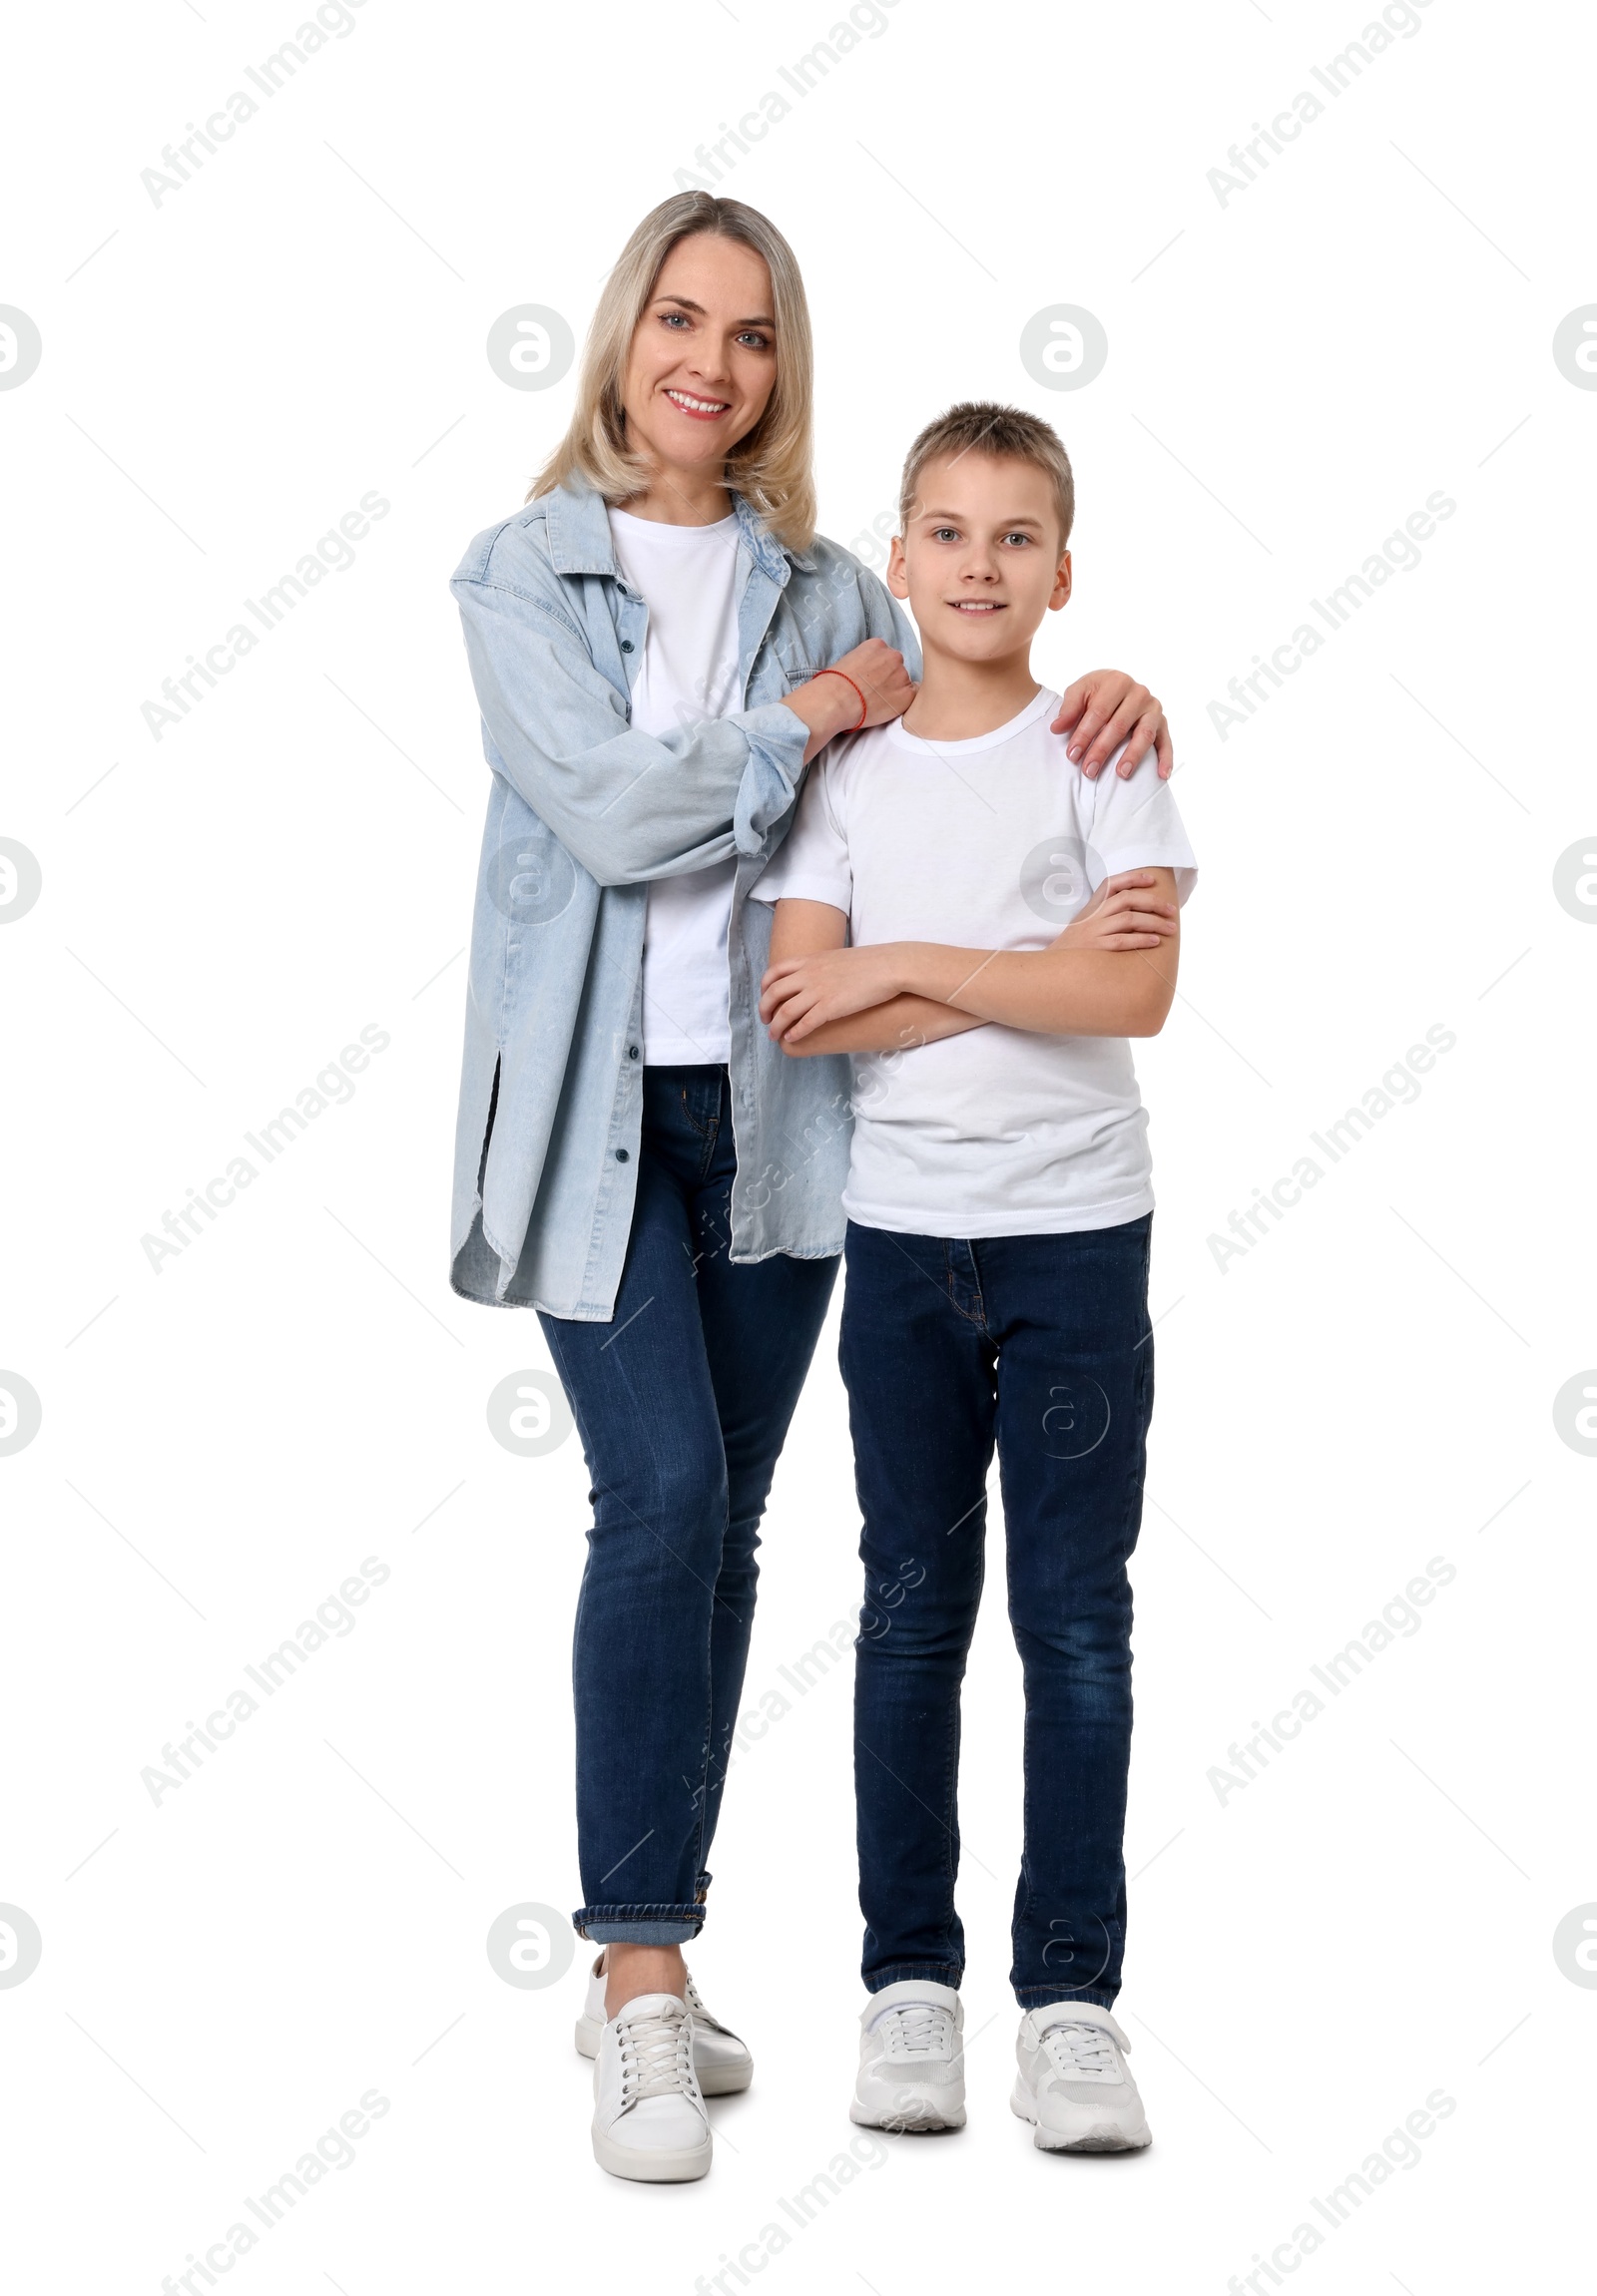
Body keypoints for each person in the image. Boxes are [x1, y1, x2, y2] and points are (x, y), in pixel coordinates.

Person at [447, 192, 1174, 2182]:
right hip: (593, 1123)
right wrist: (794, 723)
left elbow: (968, 678)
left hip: (783, 1124)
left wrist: (1123, 703)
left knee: (734, 1525)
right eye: (677, 320)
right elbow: (603, 809)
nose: (710, 362)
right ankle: (634, 1972)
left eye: (751, 336)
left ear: (779, 374)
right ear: (617, 341)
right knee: (659, 1496)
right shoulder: (517, 576)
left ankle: (671, 1951)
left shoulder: (833, 583)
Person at [755, 400, 1196, 2152]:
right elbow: (801, 999)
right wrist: (1020, 961)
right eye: (946, 531)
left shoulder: (1103, 750)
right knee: (911, 1612)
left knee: (1076, 1619)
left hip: (1079, 1229)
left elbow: (1136, 995)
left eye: (1017, 537)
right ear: (901, 554)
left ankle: (1071, 2000)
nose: (980, 564)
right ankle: (907, 1985)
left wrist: (911, 972)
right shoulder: (848, 775)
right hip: (905, 1236)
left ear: (1063, 568)